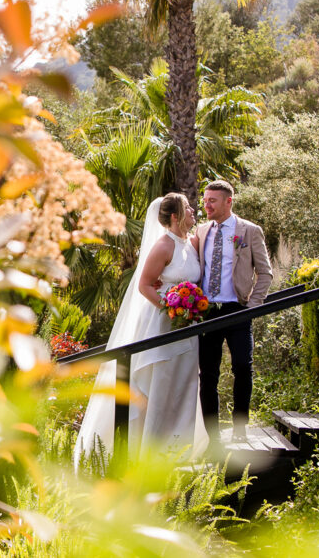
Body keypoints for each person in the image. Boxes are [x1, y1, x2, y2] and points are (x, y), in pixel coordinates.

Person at [74, 193, 207, 469]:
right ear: (174, 216)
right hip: (163, 324)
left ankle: (179, 448)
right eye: (188, 208)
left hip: (188, 327)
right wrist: (170, 308)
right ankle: (152, 453)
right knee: (161, 382)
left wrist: (188, 311)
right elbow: (145, 284)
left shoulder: (190, 243)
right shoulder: (163, 246)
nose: (193, 210)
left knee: (184, 383)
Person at [195, 180, 272, 446]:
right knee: (208, 374)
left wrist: (252, 306)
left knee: (242, 367)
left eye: (212, 200)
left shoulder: (248, 231)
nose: (207, 205)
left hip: (238, 309)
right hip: (207, 312)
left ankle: (240, 429)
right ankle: (213, 437)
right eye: (205, 200)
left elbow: (265, 272)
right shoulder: (201, 231)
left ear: (229, 201)